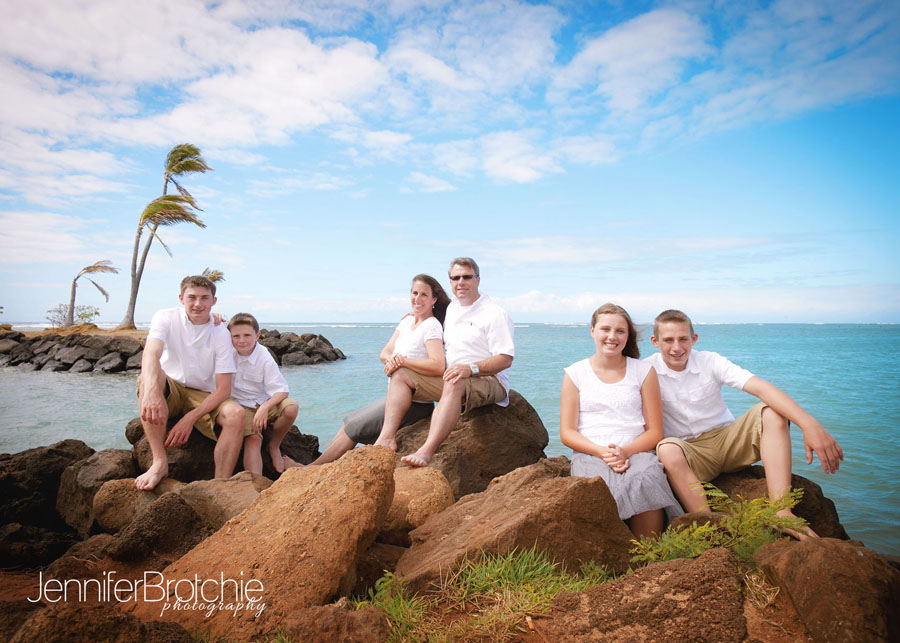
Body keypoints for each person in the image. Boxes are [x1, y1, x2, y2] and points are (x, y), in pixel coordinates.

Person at [647, 309, 844, 537]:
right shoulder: (646, 370)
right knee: (667, 449)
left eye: (683, 339)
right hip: (691, 455)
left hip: (728, 443)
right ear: (655, 341)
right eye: (668, 340)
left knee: (772, 412)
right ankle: (707, 523)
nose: (677, 347)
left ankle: (781, 512)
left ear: (694, 339)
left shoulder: (710, 361)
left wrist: (809, 424)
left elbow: (761, 388)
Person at [560, 304, 682, 538]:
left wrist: (625, 452)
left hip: (636, 450)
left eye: (620, 331)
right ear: (592, 331)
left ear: (628, 335)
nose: (612, 337)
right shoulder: (575, 373)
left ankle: (649, 552)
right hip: (591, 453)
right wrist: (601, 452)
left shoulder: (643, 371)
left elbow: (655, 431)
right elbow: (567, 432)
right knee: (598, 488)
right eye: (605, 329)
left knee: (645, 477)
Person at [309, 274, 451, 465]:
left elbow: (437, 365)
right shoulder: (406, 322)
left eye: (424, 295)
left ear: (434, 300)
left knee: (354, 428)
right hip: (396, 397)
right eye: (414, 293)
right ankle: (318, 467)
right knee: (348, 421)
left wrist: (402, 362)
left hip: (415, 403)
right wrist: (393, 360)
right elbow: (385, 353)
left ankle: (310, 469)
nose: (417, 299)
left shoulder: (431, 326)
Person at [400, 257, 514, 467]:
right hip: (451, 376)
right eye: (455, 278)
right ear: (450, 281)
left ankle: (426, 451)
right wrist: (415, 315)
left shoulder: (495, 313)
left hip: (488, 379)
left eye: (466, 277)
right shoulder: (452, 308)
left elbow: (505, 359)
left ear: (478, 279)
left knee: (454, 382)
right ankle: (386, 439)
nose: (461, 282)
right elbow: (431, 309)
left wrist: (470, 369)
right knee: (401, 373)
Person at [136, 275, 244, 490]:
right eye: (192, 297)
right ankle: (159, 463)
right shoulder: (165, 317)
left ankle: (219, 484)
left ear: (213, 301)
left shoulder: (220, 332)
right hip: (171, 387)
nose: (198, 304)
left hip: (201, 394)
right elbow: (151, 354)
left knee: (236, 414)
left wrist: (190, 418)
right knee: (149, 378)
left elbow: (224, 389)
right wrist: (151, 393)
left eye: (204, 298)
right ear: (181, 298)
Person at [226, 313, 300, 474]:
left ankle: (274, 445)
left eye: (247, 335)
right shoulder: (226, 352)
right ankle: (255, 484)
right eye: (236, 336)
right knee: (253, 440)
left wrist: (265, 407)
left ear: (257, 335)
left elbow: (282, 390)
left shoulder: (264, 355)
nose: (241, 340)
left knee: (291, 407)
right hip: (239, 406)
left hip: (261, 402)